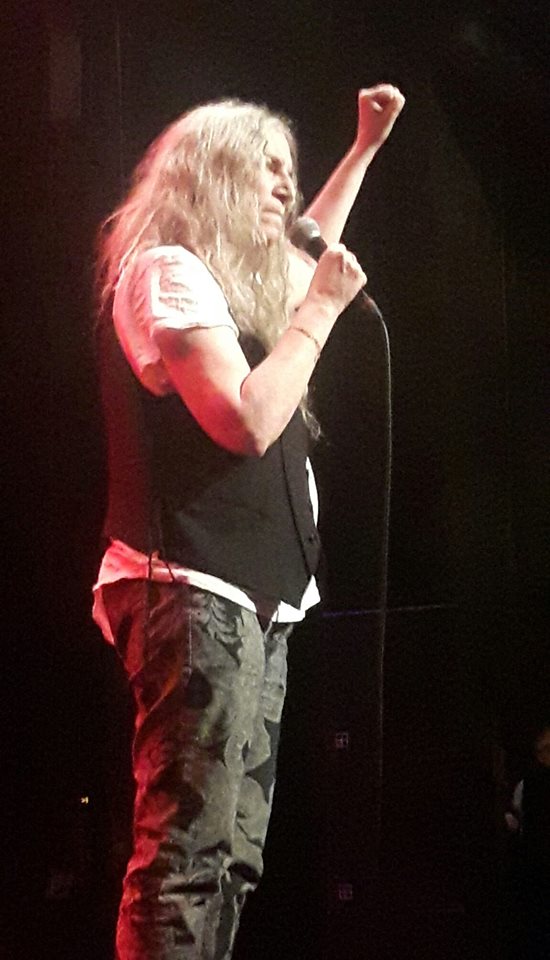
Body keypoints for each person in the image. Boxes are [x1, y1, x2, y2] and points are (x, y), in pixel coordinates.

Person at [93, 84, 404, 960]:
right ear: (214, 174)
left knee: (233, 860)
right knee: (187, 857)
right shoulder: (166, 270)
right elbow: (246, 419)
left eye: (289, 171)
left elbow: (307, 251)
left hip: (255, 597)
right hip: (190, 584)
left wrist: (363, 149)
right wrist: (322, 311)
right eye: (265, 168)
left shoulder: (233, 294)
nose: (284, 185)